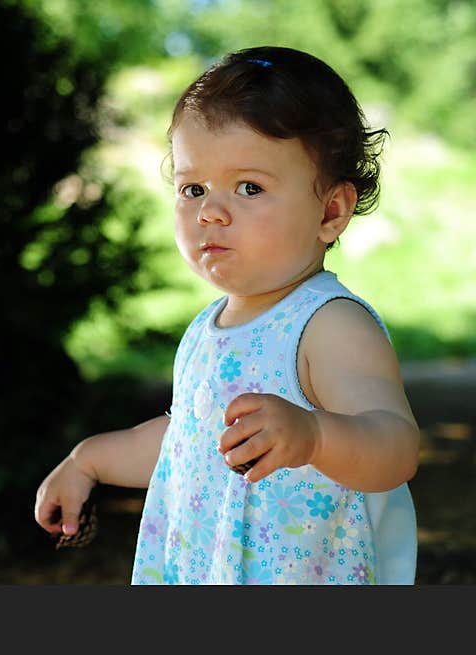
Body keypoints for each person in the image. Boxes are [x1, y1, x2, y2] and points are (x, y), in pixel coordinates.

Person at [33, 46, 420, 584]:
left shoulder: (327, 325)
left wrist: (314, 435)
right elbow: (186, 446)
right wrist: (89, 461)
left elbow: (395, 448)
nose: (210, 211)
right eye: (193, 188)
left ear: (331, 210)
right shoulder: (207, 329)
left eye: (249, 187)